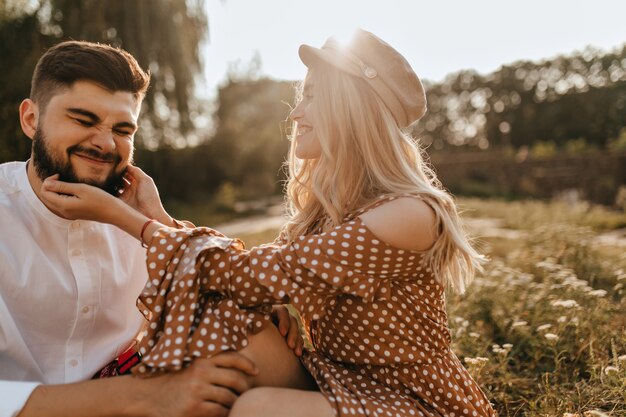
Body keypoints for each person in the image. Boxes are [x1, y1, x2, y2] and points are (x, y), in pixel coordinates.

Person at [41, 30, 498, 416]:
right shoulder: (330, 211)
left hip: (414, 401)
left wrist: (130, 222)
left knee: (259, 410)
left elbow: (245, 275)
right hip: (342, 377)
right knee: (233, 326)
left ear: (354, 109)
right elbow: (249, 273)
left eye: (314, 99)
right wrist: (158, 217)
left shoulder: (407, 214)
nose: (296, 114)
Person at [0, 40, 302, 417]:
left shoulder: (133, 208)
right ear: (31, 119)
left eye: (123, 129)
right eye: (83, 119)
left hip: (133, 378)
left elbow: (213, 274)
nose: (105, 143)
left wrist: (159, 220)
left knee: (247, 326)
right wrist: (151, 396)